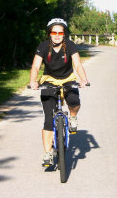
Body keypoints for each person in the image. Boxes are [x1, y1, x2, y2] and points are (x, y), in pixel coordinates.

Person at [29, 18, 89, 166]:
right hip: (49, 79)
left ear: (64, 34)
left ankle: (73, 118)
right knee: (49, 118)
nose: (57, 35)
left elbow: (77, 64)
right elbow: (36, 66)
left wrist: (83, 79)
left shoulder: (70, 45)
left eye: (60, 32)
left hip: (68, 78)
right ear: (49, 33)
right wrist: (33, 81)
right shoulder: (43, 46)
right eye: (54, 32)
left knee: (74, 101)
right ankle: (48, 153)